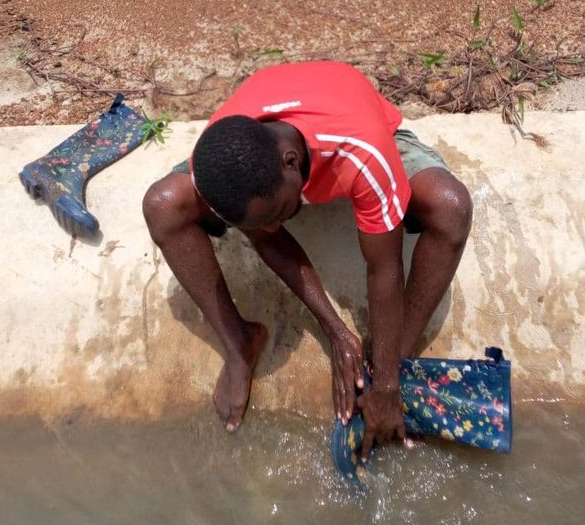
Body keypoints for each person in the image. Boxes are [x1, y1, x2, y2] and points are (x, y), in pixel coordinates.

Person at [143, 61, 472, 459]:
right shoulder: (222, 160)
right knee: (163, 205)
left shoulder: (361, 149)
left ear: (291, 163)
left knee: (450, 207)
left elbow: (383, 267)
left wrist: (386, 383)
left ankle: (396, 360)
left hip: (355, 132)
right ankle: (239, 344)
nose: (270, 229)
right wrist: (334, 328)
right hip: (270, 162)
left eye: (276, 214)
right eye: (257, 223)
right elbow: (268, 240)